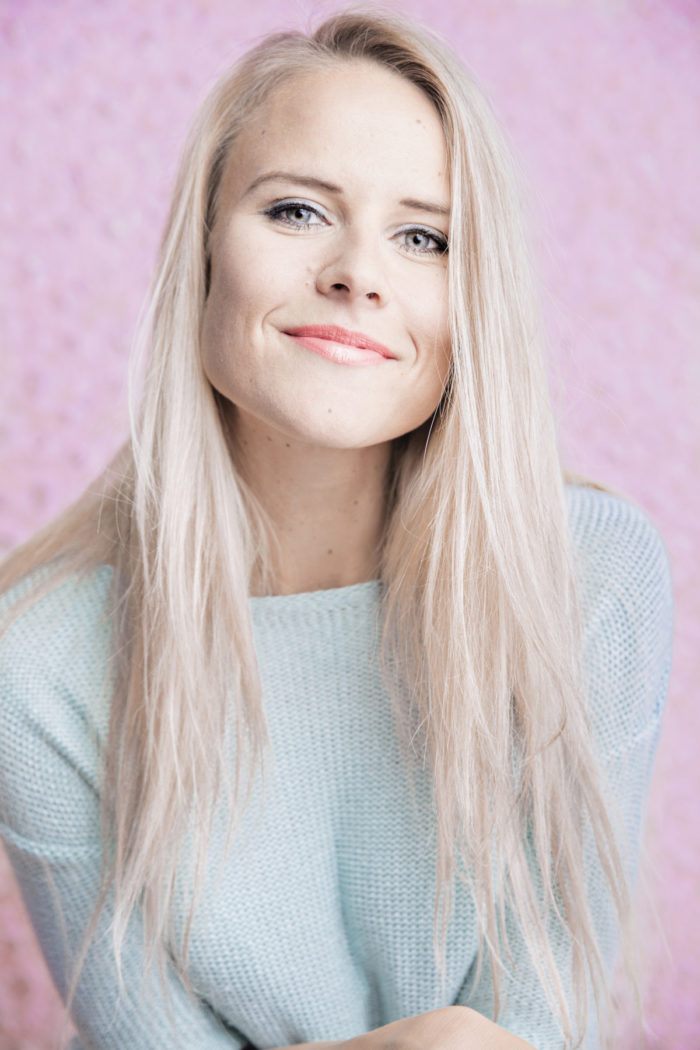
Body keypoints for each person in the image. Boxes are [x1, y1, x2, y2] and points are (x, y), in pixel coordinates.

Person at [0, 8, 673, 1050]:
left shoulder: (589, 579)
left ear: (472, 302)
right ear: (203, 252)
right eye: (298, 212)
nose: (359, 273)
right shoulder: (38, 661)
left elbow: (547, 1021)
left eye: (423, 237)